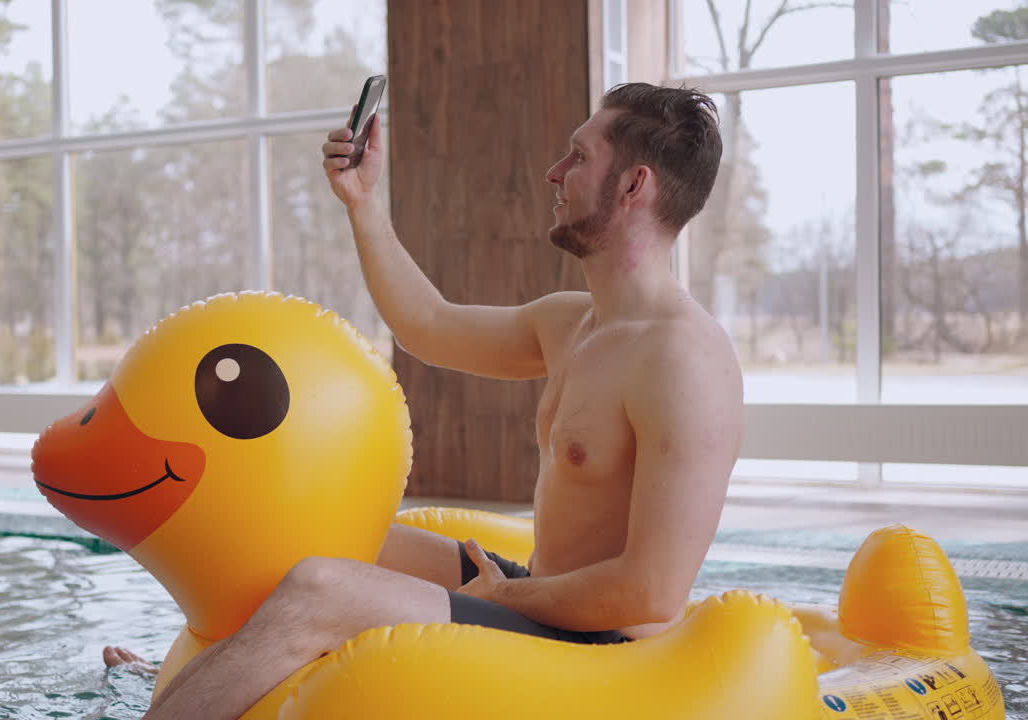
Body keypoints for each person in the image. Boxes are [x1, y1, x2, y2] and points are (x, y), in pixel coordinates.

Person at [114, 81, 743, 720]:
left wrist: (504, 599)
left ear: (634, 185)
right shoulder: (571, 322)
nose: (554, 173)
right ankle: (199, 678)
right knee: (313, 538)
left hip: (604, 642)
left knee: (320, 589)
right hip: (538, 594)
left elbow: (651, 592)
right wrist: (363, 203)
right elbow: (428, 325)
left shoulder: (683, 360)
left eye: (579, 157)